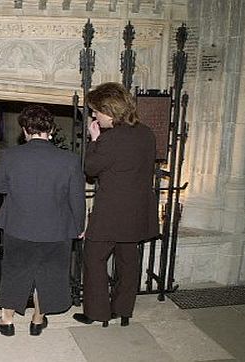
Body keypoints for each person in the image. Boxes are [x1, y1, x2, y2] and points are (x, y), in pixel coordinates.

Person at [0, 104, 86, 336]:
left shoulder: (11, 156)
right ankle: (38, 321)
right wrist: (79, 226)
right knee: (48, 275)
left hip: (19, 227)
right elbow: (77, 198)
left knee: (14, 272)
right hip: (56, 230)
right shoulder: (69, 159)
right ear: (50, 128)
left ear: (24, 129)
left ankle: (7, 321)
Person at [73, 82, 158, 328]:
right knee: (127, 261)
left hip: (112, 212)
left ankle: (98, 312)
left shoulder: (110, 139)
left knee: (94, 258)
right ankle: (123, 311)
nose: (94, 116)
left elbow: (90, 168)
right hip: (138, 211)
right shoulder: (146, 133)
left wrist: (95, 140)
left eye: (96, 112)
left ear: (110, 111)